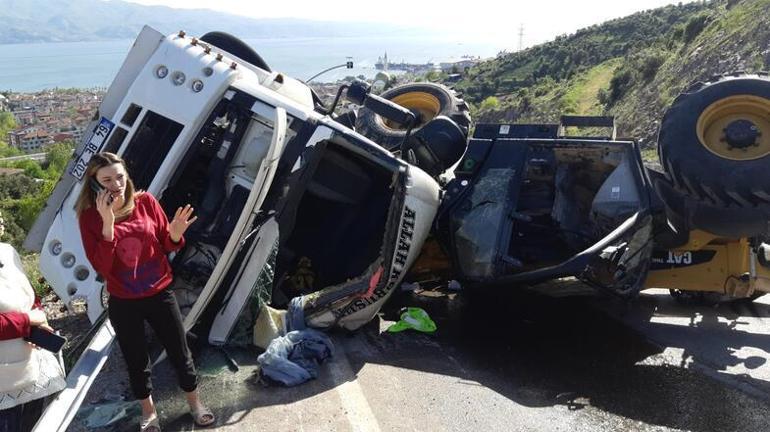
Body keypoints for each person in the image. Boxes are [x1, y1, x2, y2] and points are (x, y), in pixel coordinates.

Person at [75, 152, 214, 432]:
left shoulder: (146, 202)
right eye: (107, 180)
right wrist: (107, 224)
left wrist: (174, 233)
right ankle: (149, 412)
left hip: (160, 293)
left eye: (120, 177)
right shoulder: (89, 218)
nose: (116, 184)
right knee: (137, 360)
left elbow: (166, 243)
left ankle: (195, 403)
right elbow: (102, 267)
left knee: (180, 352)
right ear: (94, 184)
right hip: (124, 301)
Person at [0, 212, 66, 432]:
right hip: (4, 382)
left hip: (32, 366)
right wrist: (28, 320)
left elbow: (28, 295)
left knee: (37, 424)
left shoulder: (7, 251)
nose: (1, 217)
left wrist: (40, 319)